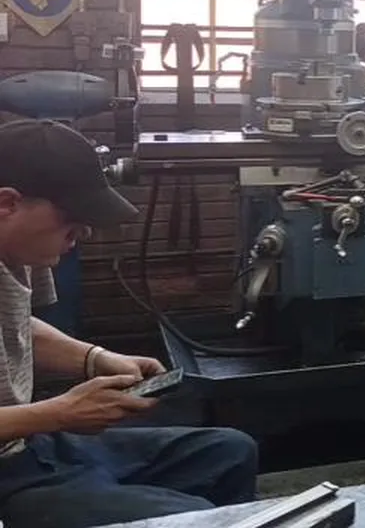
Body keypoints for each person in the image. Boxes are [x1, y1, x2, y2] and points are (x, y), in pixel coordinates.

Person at [0, 119, 259, 528]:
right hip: (10, 474)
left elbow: (17, 326)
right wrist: (59, 413)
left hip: (32, 445)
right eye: (71, 218)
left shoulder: (15, 251)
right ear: (7, 204)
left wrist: (97, 358)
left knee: (229, 452)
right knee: (200, 522)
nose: (83, 232)